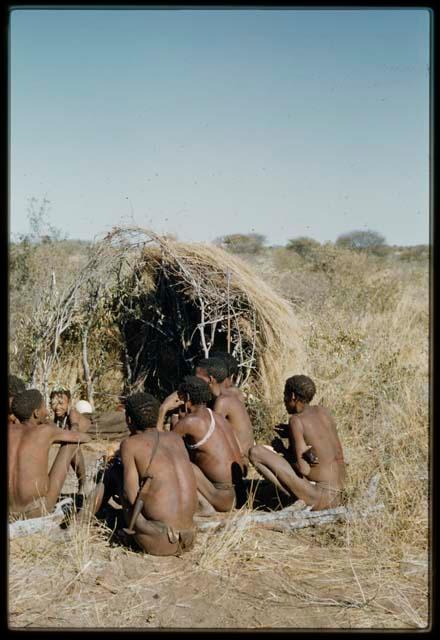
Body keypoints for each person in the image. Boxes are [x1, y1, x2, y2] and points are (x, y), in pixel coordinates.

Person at [86, 392, 198, 557]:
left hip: (160, 542)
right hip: (188, 538)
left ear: (129, 420)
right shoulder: (175, 438)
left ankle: (82, 519)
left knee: (113, 472)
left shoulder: (130, 445)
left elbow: (130, 497)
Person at [248, 375, 346, 511]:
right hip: (341, 494)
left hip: (320, 498)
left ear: (293, 396)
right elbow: (318, 438)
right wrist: (290, 433)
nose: (284, 400)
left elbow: (304, 469)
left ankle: (292, 497)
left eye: (285, 395)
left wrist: (281, 449)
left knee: (256, 452)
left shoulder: (296, 420)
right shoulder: (323, 411)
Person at [159, 376, 244, 514]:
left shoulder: (191, 422)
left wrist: (163, 408)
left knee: (178, 462)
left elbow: (158, 448)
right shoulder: (216, 415)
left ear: (186, 398)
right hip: (239, 493)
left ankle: (202, 506)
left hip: (222, 498)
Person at [8, 389, 91, 518]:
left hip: (9, 513)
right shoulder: (45, 431)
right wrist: (74, 424)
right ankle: (84, 483)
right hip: (36, 511)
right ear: (36, 413)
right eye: (44, 407)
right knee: (70, 443)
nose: (47, 412)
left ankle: (83, 484)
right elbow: (85, 438)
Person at [195, 357, 254, 475]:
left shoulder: (222, 402)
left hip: (237, 464)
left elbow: (213, 435)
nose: (195, 382)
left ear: (211, 379)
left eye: (198, 379)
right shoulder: (226, 396)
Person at [50, 385, 90, 494]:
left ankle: (83, 483)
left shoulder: (72, 413)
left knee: (72, 447)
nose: (57, 407)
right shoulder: (58, 416)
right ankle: (82, 483)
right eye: (54, 404)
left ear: (69, 403)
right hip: (77, 436)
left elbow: (74, 430)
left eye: (61, 404)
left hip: (91, 431)